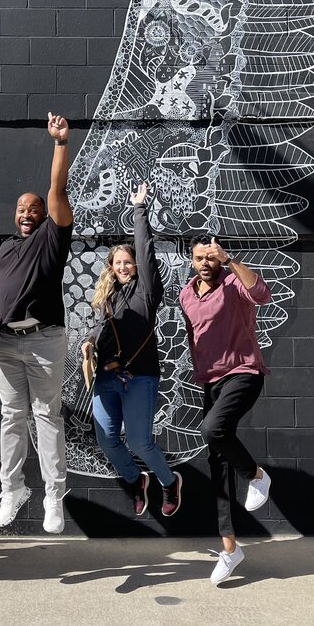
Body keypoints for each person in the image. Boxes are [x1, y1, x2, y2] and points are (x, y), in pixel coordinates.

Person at [0, 113, 73, 535]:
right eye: (20, 208)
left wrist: (59, 143)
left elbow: (56, 190)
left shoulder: (51, 239)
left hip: (44, 339)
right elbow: (8, 289)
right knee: (11, 417)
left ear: (43, 216)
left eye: (33, 209)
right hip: (6, 343)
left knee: (46, 415)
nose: (26, 213)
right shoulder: (5, 248)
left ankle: (53, 496)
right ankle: (13, 488)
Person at [81, 183, 182, 519]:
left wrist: (139, 210)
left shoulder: (147, 292)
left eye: (128, 262)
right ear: (110, 267)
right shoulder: (107, 299)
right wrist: (91, 341)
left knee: (140, 443)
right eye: (117, 263)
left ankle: (168, 482)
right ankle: (135, 480)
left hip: (139, 376)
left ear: (137, 266)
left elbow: (145, 250)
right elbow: (106, 330)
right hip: (106, 377)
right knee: (107, 440)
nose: (123, 266)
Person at [179, 236, 273, 585]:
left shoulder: (233, 281)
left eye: (211, 256)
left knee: (211, 430)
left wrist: (230, 259)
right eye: (200, 257)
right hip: (211, 382)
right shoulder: (186, 295)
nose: (206, 262)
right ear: (192, 261)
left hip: (244, 372)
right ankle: (230, 549)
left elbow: (262, 294)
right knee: (217, 462)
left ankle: (257, 475)